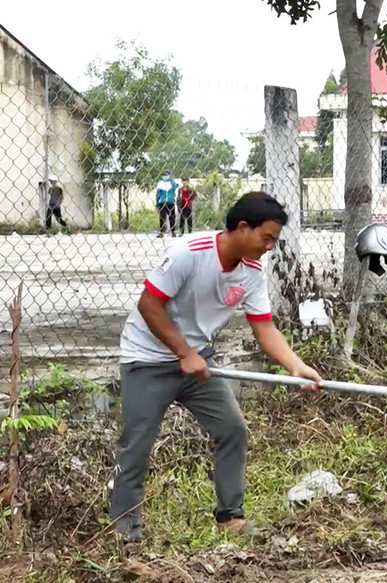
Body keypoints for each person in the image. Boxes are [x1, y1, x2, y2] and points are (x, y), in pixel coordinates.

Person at [109, 191, 323, 542]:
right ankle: (124, 531)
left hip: (196, 361)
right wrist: (182, 352)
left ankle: (230, 516)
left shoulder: (252, 272)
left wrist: (295, 366)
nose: (270, 247)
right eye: (266, 237)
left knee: (232, 429)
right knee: (137, 444)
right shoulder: (189, 253)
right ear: (242, 228)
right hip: (147, 358)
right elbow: (149, 305)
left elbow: (264, 326)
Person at [155, 171, 177, 237]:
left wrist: (171, 181)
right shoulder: (160, 184)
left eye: (166, 175)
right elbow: (158, 193)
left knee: (172, 217)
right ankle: (161, 232)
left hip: (170, 202)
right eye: (163, 175)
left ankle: (173, 231)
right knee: (162, 217)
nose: (165, 176)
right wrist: (157, 202)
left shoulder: (172, 183)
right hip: (162, 202)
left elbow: (175, 187)